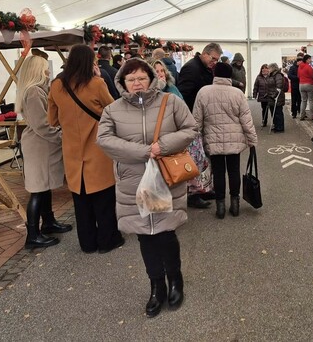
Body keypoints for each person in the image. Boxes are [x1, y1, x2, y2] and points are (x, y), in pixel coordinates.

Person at [97, 58, 196, 318]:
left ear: (151, 78)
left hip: (165, 178)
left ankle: (175, 279)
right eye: (131, 79)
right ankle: (156, 286)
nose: (137, 83)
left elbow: (190, 128)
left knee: (165, 232)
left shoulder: (170, 102)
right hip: (133, 182)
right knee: (144, 235)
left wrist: (161, 147)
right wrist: (144, 151)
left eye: (141, 77)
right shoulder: (113, 109)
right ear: (123, 83)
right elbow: (104, 139)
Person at [48, 44, 124, 253]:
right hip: (98, 149)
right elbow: (113, 111)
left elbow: (52, 120)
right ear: (90, 62)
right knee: (104, 199)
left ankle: (88, 243)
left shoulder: (56, 85)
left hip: (72, 150)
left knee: (81, 201)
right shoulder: (96, 83)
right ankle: (108, 240)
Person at [16, 55, 72, 249]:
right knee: (38, 190)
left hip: (42, 145)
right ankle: (33, 234)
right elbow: (42, 125)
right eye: (44, 68)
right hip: (40, 146)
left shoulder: (35, 90)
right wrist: (61, 137)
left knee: (44, 187)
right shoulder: (34, 92)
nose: (48, 72)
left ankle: (48, 223)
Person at [194, 62, 257, 219]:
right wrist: (252, 141)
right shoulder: (237, 94)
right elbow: (246, 120)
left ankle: (220, 206)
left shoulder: (203, 92)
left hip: (213, 140)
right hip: (234, 140)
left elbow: (196, 120)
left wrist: (196, 139)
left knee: (219, 172)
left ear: (214, 74)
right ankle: (235, 205)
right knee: (234, 171)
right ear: (230, 75)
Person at [176, 43, 222, 111]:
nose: (215, 62)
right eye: (213, 58)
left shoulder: (206, 68)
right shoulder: (191, 68)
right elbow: (182, 95)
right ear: (204, 54)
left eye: (217, 60)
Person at [268, 62, 286, 132]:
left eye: (269, 68)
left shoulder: (278, 75)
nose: (268, 70)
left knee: (278, 113)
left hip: (277, 97)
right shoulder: (272, 75)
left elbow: (279, 87)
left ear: (272, 68)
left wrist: (274, 95)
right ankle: (276, 125)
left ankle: (280, 127)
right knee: (274, 113)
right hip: (272, 97)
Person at [298, 54, 313, 120]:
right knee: (311, 100)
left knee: (303, 100)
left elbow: (298, 76)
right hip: (309, 84)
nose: (311, 60)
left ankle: (301, 116)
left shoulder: (299, 67)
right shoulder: (308, 67)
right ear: (307, 59)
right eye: (310, 59)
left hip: (301, 85)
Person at [288, 53, 303, 118]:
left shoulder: (302, 67)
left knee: (300, 100)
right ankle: (294, 113)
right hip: (294, 86)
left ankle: (300, 111)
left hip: (301, 86)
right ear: (298, 62)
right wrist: (298, 77)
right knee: (294, 100)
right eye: (301, 62)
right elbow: (289, 76)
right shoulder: (292, 68)